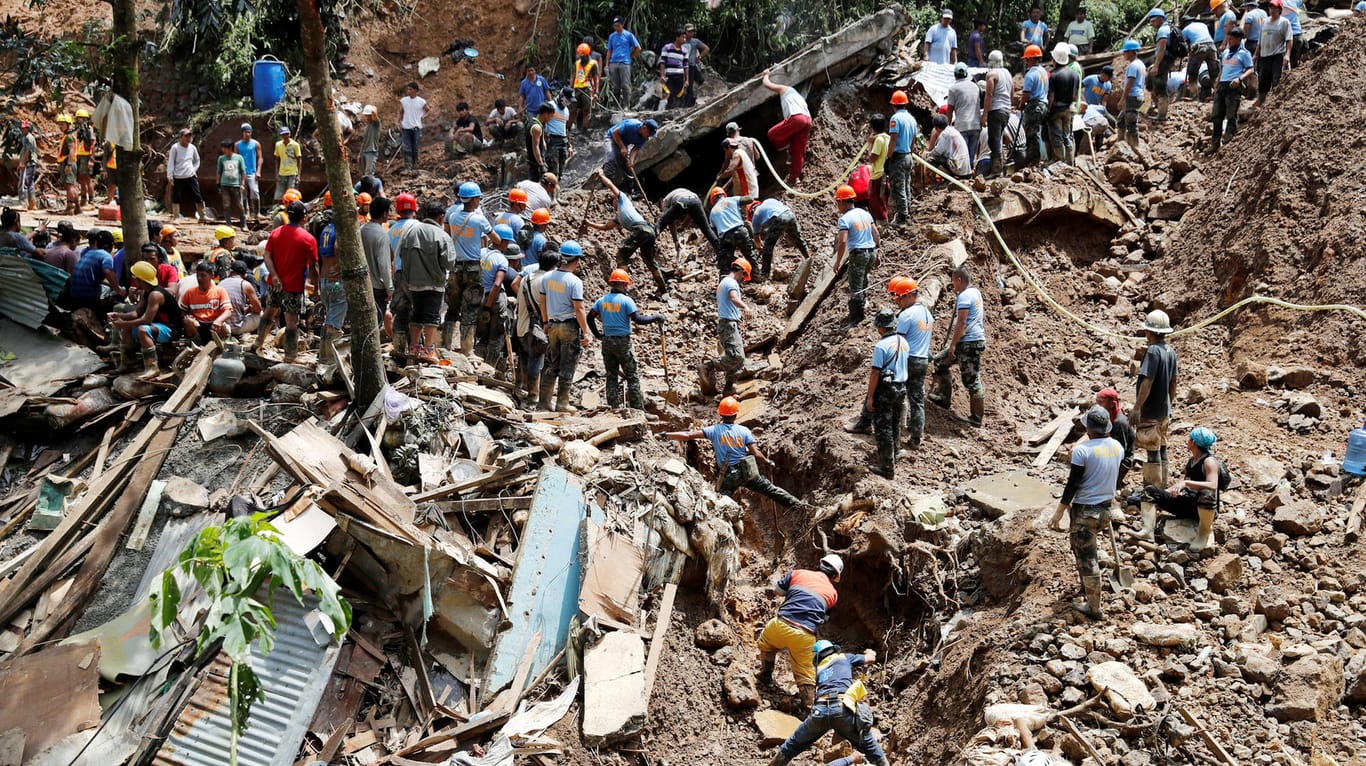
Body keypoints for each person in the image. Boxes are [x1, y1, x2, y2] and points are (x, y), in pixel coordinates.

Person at [1048, 406, 1124, 619]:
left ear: (1088, 429)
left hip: (1085, 512)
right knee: (1082, 551)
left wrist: (1059, 511)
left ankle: (1094, 607)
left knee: (1088, 558)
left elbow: (1072, 484)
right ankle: (1088, 589)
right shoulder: (1117, 447)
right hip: (1105, 509)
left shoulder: (1083, 451)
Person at [745, 555, 842, 711]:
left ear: (820, 564)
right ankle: (807, 706)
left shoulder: (797, 573)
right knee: (806, 671)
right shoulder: (833, 594)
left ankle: (765, 675)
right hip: (805, 635)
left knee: (767, 644)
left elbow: (777, 591)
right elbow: (823, 618)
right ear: (835, 576)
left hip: (780, 625)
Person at [768, 640, 888, 766]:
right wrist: (871, 652)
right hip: (842, 707)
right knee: (869, 744)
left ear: (817, 657)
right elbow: (870, 659)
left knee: (792, 745)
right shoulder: (843, 657)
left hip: (820, 710)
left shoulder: (819, 670)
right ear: (832, 649)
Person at [666, 396, 802, 506]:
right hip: (746, 471)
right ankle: (799, 506)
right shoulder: (744, 431)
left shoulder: (714, 430)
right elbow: (756, 454)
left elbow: (688, 435)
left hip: (728, 474)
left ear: (720, 413)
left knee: (721, 503)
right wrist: (767, 461)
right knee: (770, 490)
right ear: (736, 414)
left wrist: (666, 434)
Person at [1134, 426, 1223, 550]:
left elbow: (1213, 485)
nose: (1188, 442)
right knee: (1151, 491)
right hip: (1187, 503)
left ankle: (1203, 534)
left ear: (1193, 442)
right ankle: (1147, 531)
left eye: (1189, 439)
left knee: (1207, 492)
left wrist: (1186, 484)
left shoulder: (1209, 462)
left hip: (1203, 509)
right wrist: (1169, 491)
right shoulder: (1192, 461)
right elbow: (1186, 483)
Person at [585, 170, 670, 295]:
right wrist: (588, 224)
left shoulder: (623, 200)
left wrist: (602, 176)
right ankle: (662, 289)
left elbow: (611, 186)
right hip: (648, 231)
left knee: (621, 255)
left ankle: (621, 288)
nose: (613, 202)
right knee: (648, 259)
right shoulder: (618, 218)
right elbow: (604, 227)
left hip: (641, 229)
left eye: (613, 200)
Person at [588, 269, 664, 410]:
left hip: (608, 341)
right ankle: (637, 409)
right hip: (623, 342)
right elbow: (638, 319)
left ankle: (613, 408)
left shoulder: (601, 301)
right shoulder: (626, 301)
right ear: (624, 285)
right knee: (632, 376)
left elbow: (589, 317)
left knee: (611, 375)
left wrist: (598, 335)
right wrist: (656, 317)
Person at [397, 201, 458, 363]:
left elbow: (402, 256)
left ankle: (414, 348)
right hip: (434, 284)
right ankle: (428, 350)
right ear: (440, 217)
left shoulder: (410, 232)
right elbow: (449, 263)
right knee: (431, 317)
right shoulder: (442, 235)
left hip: (413, 283)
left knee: (416, 314)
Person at [256, 201, 317, 361]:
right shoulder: (308, 239)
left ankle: (258, 342)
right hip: (294, 285)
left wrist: (274, 275)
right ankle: (290, 355)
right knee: (292, 321)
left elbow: (267, 255)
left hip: (274, 283)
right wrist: (316, 286)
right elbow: (312, 266)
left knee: (269, 310)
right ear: (304, 217)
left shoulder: (275, 233)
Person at [537, 240, 592, 412]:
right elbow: (579, 308)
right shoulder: (574, 281)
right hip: (568, 326)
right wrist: (586, 332)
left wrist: (545, 322)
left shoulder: (547, 277)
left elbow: (543, 303)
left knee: (552, 364)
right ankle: (562, 404)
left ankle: (544, 403)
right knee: (568, 365)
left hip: (552, 325)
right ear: (576, 260)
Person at [929, 266, 986, 426]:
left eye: (953, 281)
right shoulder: (974, 292)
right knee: (940, 361)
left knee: (972, 379)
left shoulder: (965, 297)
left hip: (968, 342)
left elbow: (961, 322)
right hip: (971, 340)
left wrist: (953, 345)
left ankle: (976, 418)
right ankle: (944, 398)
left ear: (959, 280)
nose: (952, 285)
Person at [444, 181, 496, 354]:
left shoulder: (452, 217)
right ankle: (466, 349)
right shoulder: (479, 219)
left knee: (452, 306)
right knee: (471, 308)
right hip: (473, 268)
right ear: (473, 200)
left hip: (455, 268)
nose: (480, 201)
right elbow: (495, 239)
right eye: (479, 198)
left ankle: (445, 344)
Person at [1132, 309, 1178, 496]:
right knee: (1163, 446)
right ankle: (1163, 486)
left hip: (1151, 411)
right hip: (1164, 411)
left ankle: (1151, 491)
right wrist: (1169, 404)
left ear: (1150, 332)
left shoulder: (1152, 352)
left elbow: (1147, 381)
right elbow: (1174, 381)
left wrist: (1137, 407)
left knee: (1152, 450)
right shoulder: (1170, 351)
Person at [860, 308, 909, 479]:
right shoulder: (903, 341)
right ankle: (895, 454)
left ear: (881, 327)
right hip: (901, 387)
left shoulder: (881, 346)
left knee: (883, 428)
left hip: (886, 390)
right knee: (895, 423)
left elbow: (875, 373)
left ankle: (887, 467)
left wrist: (870, 397)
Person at [111, 260, 182, 378]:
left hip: (171, 330)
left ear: (141, 280)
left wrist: (123, 323)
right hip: (157, 325)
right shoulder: (146, 292)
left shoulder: (155, 295)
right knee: (127, 329)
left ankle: (152, 368)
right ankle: (127, 363)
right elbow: (136, 313)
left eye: (135, 278)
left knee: (142, 329)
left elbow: (146, 320)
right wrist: (119, 316)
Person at [697, 258, 753, 395]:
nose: (743, 279)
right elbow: (734, 298)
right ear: (740, 270)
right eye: (744, 275)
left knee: (738, 359)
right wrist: (745, 306)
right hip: (729, 325)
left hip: (728, 324)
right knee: (737, 357)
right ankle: (708, 366)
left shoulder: (724, 282)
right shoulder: (731, 282)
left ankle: (728, 388)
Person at [514, 247, 558, 408]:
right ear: (554, 266)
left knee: (527, 358)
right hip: (539, 330)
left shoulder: (527, 278)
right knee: (538, 361)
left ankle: (523, 389)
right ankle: (534, 397)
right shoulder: (548, 281)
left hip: (523, 325)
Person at [832, 184, 879, 326]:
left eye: (837, 202)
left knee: (855, 286)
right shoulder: (865, 213)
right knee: (863, 279)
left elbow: (843, 242)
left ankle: (857, 318)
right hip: (871, 252)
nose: (837, 206)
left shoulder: (845, 219)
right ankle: (863, 306)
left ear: (842, 201)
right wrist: (877, 253)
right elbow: (876, 234)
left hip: (858, 254)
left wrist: (837, 261)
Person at [475, 225, 517, 372]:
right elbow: (497, 284)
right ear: (504, 242)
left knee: (482, 335)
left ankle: (476, 364)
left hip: (477, 296)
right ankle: (489, 370)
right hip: (494, 300)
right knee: (497, 336)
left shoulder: (479, 253)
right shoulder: (501, 259)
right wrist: (488, 305)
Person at [761, 70, 812, 185]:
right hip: (808, 120)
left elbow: (767, 84)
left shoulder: (784, 89)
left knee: (772, 134)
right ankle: (794, 179)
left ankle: (784, 146)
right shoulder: (798, 97)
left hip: (797, 118)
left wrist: (766, 75)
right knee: (798, 152)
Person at [1212, 28, 1255, 151]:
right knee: (1216, 115)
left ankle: (1228, 142)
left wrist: (1240, 79)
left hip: (1233, 86)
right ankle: (1215, 143)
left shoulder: (1244, 53)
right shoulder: (1225, 53)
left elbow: (1250, 69)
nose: (1228, 41)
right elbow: (1222, 68)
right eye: (1228, 38)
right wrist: (1217, 83)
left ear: (1238, 39)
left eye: (1231, 39)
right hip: (1222, 85)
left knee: (1231, 115)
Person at [749, 197, 810, 281]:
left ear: (750, 212)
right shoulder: (768, 201)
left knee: (767, 247)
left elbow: (756, 238)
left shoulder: (755, 215)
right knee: (798, 239)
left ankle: (764, 274)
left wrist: (760, 249)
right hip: (790, 214)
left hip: (779, 218)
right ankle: (809, 258)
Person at [179, 261, 233, 344]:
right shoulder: (190, 292)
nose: (199, 278)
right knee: (188, 322)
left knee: (223, 326)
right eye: (198, 275)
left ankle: (219, 344)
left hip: (214, 325)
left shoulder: (220, 291)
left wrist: (219, 320)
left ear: (211, 275)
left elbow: (228, 311)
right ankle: (197, 343)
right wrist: (187, 317)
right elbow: (182, 310)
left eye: (203, 275)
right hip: (198, 325)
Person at [656, 186, 720, 254]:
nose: (662, 210)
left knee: (661, 222)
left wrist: (675, 240)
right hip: (696, 201)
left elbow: (670, 221)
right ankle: (720, 250)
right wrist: (683, 226)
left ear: (661, 203)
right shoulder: (678, 192)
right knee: (707, 229)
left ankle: (650, 239)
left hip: (683, 201)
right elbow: (691, 215)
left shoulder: (664, 202)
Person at [361, 195, 393, 329]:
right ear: (384, 213)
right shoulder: (381, 235)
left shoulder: (361, 230)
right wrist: (390, 289)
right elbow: (384, 266)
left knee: (364, 323)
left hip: (362, 284)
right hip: (377, 288)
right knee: (376, 325)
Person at [708, 189, 755, 275]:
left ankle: (724, 280)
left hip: (726, 236)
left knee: (725, 262)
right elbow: (749, 199)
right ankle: (756, 276)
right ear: (724, 195)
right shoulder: (732, 199)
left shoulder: (712, 213)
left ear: (713, 200)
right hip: (740, 231)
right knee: (749, 255)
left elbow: (713, 230)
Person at [1096, 387, 1136, 487]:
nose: (1098, 406)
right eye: (1097, 402)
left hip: (1122, 462)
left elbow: (1119, 452)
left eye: (1101, 403)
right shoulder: (1109, 416)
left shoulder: (1119, 422)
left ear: (1112, 404)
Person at [887, 90, 917, 224]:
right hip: (908, 156)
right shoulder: (911, 119)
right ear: (905, 104)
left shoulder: (895, 119)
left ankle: (902, 217)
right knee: (906, 185)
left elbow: (893, 139)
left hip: (898, 157)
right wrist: (911, 153)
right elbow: (914, 140)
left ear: (894, 105)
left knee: (898, 187)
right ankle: (907, 210)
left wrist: (888, 157)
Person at [1255, 0, 1293, 106]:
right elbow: (1260, 40)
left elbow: (1289, 39)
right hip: (1264, 56)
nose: (1272, 10)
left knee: (1276, 80)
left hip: (1277, 56)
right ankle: (1262, 103)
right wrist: (1256, 54)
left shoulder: (1284, 22)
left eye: (1275, 8)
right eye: (1271, 8)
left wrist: (1287, 55)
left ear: (1280, 9)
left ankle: (1275, 104)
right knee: (1263, 81)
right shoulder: (1264, 22)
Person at [1047, 43, 1079, 165]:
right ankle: (1070, 161)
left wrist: (1048, 110)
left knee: (1057, 137)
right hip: (1069, 108)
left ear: (1055, 59)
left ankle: (1059, 161)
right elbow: (1075, 94)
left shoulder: (1054, 75)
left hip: (1056, 109)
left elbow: (1051, 96)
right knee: (1067, 136)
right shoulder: (1074, 74)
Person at [945, 63, 982, 168]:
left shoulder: (953, 89)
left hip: (962, 125)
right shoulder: (975, 86)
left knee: (963, 154)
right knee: (971, 153)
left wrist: (947, 126)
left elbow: (950, 109)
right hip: (975, 124)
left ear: (955, 75)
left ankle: (964, 175)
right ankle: (970, 174)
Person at [982, 51, 1013, 176]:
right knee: (999, 139)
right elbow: (1012, 92)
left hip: (996, 110)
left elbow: (988, 95)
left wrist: (984, 114)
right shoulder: (1008, 74)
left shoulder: (992, 74)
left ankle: (996, 170)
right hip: (1006, 110)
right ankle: (1001, 166)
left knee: (994, 141)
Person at [166, 128, 205, 222]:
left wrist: (194, 169)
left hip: (190, 175)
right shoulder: (175, 148)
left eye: (190, 136)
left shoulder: (192, 147)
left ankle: (202, 216)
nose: (189, 138)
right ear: (181, 137)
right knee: (177, 197)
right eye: (186, 136)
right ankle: (176, 217)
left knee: (197, 195)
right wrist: (170, 176)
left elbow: (197, 160)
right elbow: (171, 162)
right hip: (178, 176)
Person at [604, 117, 657, 185]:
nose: (649, 136)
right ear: (644, 128)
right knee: (611, 158)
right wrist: (622, 147)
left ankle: (628, 187)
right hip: (611, 138)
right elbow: (615, 133)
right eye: (649, 133)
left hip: (623, 143)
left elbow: (635, 149)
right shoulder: (631, 125)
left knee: (627, 165)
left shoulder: (644, 138)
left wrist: (631, 161)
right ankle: (607, 184)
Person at [1020, 44, 1049, 168]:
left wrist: (1021, 104)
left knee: (1032, 134)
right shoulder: (1043, 71)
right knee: (1037, 132)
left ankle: (1034, 161)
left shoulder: (1030, 74)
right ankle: (1035, 159)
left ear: (1031, 58)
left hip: (1035, 105)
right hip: (1043, 104)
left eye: (1027, 59)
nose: (1026, 62)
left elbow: (1026, 93)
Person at [1146, 8, 1176, 121]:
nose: (1152, 24)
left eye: (1153, 21)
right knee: (1153, 81)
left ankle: (1162, 115)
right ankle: (1157, 107)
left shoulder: (1163, 30)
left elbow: (1162, 48)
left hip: (1163, 60)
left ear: (1159, 19)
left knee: (1160, 86)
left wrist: (1156, 65)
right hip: (1165, 60)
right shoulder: (1168, 28)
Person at [220, 260, 263, 338]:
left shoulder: (221, 283)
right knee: (262, 315)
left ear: (231, 272)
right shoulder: (245, 284)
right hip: (235, 328)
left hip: (221, 326)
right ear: (245, 275)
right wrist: (250, 308)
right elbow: (258, 309)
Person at [607, 17, 641, 104]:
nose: (616, 28)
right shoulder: (612, 36)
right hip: (613, 62)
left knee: (625, 85)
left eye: (618, 26)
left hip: (624, 62)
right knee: (615, 86)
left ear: (622, 25)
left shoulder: (628, 35)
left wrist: (630, 56)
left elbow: (638, 48)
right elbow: (609, 50)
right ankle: (616, 105)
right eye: (615, 26)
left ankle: (626, 105)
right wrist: (607, 64)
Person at [863, 114, 891, 221]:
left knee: (877, 205)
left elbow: (872, 158)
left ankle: (882, 228)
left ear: (873, 127)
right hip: (884, 174)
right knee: (881, 203)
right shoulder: (887, 138)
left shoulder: (879, 140)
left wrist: (870, 145)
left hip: (879, 175)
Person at [1119, 39, 1146, 148]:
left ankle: (1134, 147)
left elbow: (1130, 84)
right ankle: (1120, 144)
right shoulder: (1141, 64)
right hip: (1138, 95)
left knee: (1131, 124)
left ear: (1131, 52)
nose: (1123, 54)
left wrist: (1122, 99)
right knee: (1121, 120)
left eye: (1125, 52)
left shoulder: (1133, 66)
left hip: (1132, 97)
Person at [570, 45, 601, 133]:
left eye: (582, 55)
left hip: (587, 89)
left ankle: (584, 131)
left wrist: (596, 92)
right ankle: (570, 128)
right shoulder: (577, 63)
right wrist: (570, 89)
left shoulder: (593, 64)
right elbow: (574, 76)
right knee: (573, 110)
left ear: (587, 54)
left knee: (586, 111)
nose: (581, 57)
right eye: (580, 55)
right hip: (576, 89)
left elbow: (596, 79)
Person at [215, 141, 246, 228]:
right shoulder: (221, 158)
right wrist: (218, 184)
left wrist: (242, 183)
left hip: (236, 185)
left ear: (229, 148)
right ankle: (228, 224)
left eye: (224, 148)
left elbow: (243, 171)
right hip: (224, 185)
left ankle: (244, 224)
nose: (223, 150)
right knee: (226, 205)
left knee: (239, 205)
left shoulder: (239, 158)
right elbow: (219, 171)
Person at [399, 82, 428, 171]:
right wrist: (398, 121)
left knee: (415, 146)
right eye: (408, 89)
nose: (408, 91)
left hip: (416, 128)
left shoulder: (421, 101)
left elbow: (428, 110)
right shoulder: (404, 101)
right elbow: (400, 111)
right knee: (407, 147)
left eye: (410, 89)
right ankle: (408, 166)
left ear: (415, 90)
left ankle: (415, 164)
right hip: (406, 127)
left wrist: (423, 116)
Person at [235, 124, 263, 221]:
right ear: (242, 133)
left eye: (249, 132)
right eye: (246, 132)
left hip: (252, 172)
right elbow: (235, 158)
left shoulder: (256, 144)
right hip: (241, 172)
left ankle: (257, 212)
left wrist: (258, 170)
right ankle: (246, 212)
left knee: (255, 192)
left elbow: (260, 158)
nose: (248, 134)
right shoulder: (237, 145)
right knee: (243, 193)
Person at [659, 30, 690, 109]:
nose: (684, 39)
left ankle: (677, 114)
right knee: (666, 94)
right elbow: (662, 62)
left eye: (685, 37)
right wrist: (662, 75)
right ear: (677, 38)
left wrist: (687, 80)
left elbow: (686, 66)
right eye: (683, 37)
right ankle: (661, 113)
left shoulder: (685, 51)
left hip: (680, 75)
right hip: (669, 75)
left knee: (679, 96)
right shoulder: (667, 48)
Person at [682, 23, 710, 106]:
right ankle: (687, 104)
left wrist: (699, 57)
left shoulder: (695, 41)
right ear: (685, 32)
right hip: (683, 66)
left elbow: (706, 48)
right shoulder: (681, 40)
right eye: (689, 31)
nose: (691, 33)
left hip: (692, 66)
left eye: (692, 31)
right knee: (688, 86)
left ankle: (694, 100)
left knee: (700, 81)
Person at [17, 121, 39, 211]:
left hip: (28, 164)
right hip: (31, 164)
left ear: (27, 128)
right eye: (22, 128)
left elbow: (28, 151)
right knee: (30, 184)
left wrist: (23, 163)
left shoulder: (28, 138)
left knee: (23, 184)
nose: (22, 130)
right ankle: (32, 204)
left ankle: (24, 204)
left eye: (24, 128)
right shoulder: (29, 137)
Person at [358, 105, 381, 177]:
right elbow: (364, 141)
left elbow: (375, 116)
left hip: (371, 152)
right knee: (364, 174)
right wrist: (360, 153)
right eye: (366, 115)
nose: (367, 117)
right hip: (364, 152)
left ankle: (370, 188)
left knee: (369, 174)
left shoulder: (376, 124)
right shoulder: (367, 127)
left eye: (369, 115)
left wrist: (373, 109)